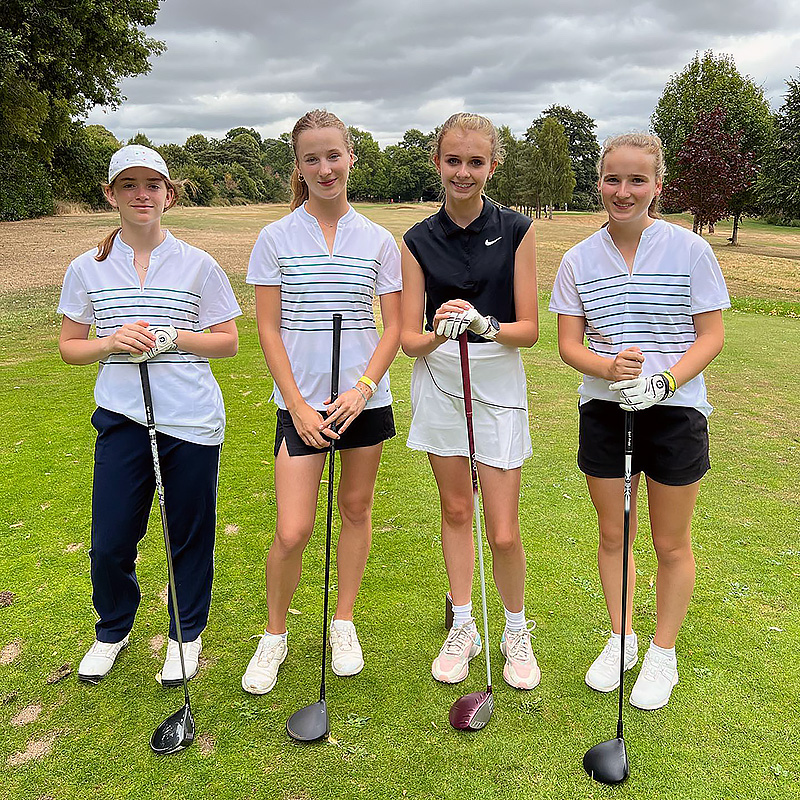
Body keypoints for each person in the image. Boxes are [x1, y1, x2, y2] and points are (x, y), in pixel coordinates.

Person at [550, 133, 729, 710]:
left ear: (657, 185)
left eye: (636, 180)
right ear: (599, 182)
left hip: (675, 412)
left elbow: (711, 335)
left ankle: (662, 652)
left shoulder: (690, 250)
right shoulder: (579, 259)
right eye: (612, 179)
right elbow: (568, 345)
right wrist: (607, 367)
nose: (622, 191)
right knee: (614, 533)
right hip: (606, 410)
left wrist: (665, 381)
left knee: (669, 541)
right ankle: (622, 637)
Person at [58, 144, 241, 686]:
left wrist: (173, 337)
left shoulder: (198, 263)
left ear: (169, 194)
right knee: (111, 540)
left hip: (191, 418)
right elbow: (70, 346)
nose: (142, 194)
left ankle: (186, 635)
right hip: (122, 417)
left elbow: (228, 341)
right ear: (110, 194)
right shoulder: (86, 268)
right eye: (129, 185)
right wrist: (110, 342)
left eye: (153, 184)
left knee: (189, 534)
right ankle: (113, 628)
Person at [242, 110, 402, 694]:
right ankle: (275, 634)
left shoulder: (378, 240)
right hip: (301, 405)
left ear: (351, 157)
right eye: (311, 158)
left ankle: (343, 622)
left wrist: (363, 389)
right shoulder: (275, 238)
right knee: (293, 529)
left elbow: (393, 327)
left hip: (364, 403)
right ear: (298, 165)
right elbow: (268, 329)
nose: (324, 168)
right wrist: (297, 406)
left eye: (333, 155)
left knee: (355, 510)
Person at [400, 113, 540, 690]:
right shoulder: (416, 240)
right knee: (457, 510)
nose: (463, 172)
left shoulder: (517, 229)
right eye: (453, 160)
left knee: (502, 530)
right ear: (437, 162)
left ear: (492, 166)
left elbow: (529, 330)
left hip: (497, 378)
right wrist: (440, 330)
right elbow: (408, 340)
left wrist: (484, 324)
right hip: (440, 377)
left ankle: (515, 628)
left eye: (475, 162)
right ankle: (463, 624)